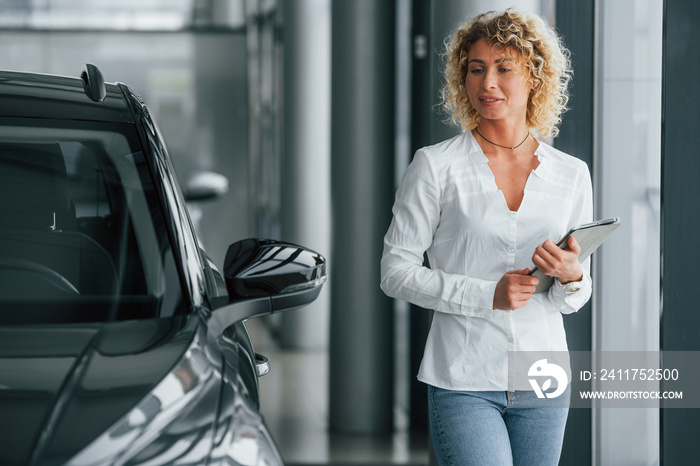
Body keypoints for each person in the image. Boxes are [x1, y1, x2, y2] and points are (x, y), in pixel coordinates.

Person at [380, 9, 592, 466]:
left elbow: (571, 296)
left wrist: (573, 277)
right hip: (463, 377)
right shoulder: (435, 167)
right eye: (476, 69)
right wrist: (486, 295)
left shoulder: (572, 175)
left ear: (535, 77)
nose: (487, 82)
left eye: (503, 68)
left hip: (543, 375)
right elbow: (395, 273)